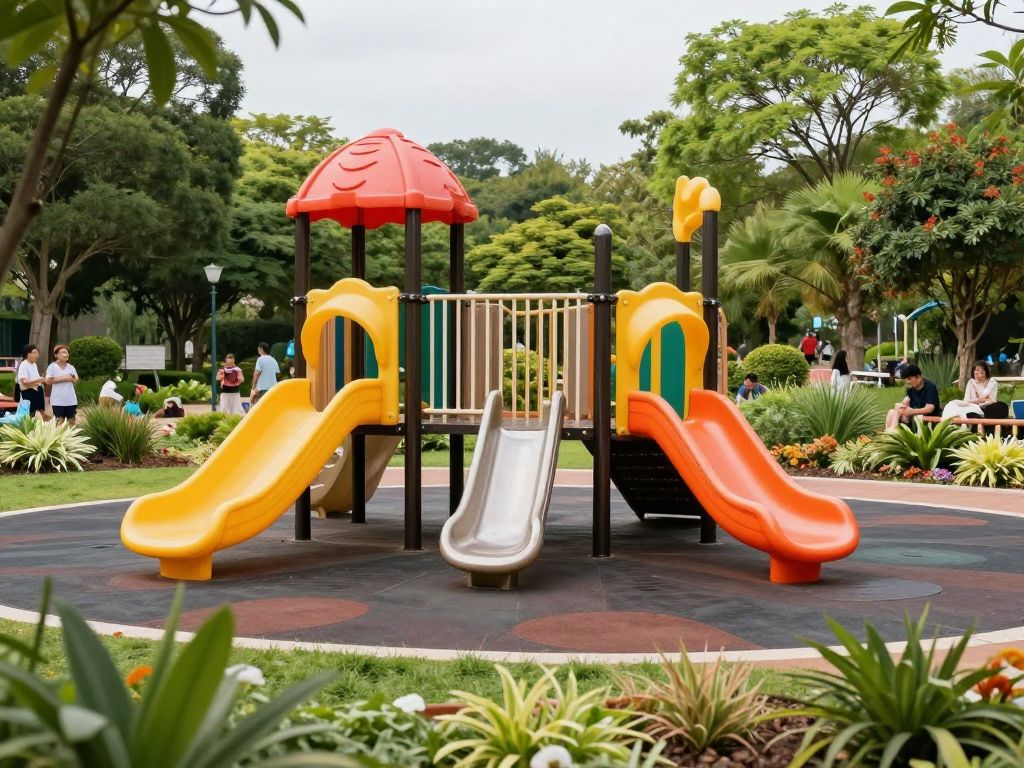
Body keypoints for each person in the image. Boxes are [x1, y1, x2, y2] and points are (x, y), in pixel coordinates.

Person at [884, 364, 941, 430]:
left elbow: (930, 408)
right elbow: (907, 403)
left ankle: (892, 432)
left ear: (918, 377)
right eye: (905, 379)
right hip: (913, 417)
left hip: (929, 419)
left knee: (915, 419)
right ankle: (889, 433)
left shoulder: (930, 387)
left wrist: (912, 411)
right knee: (892, 412)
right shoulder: (910, 389)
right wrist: (902, 407)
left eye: (909, 379)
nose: (907, 382)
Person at [45, 344, 79, 423]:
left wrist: (71, 378)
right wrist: (65, 378)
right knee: (58, 421)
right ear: (56, 355)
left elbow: (75, 379)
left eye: (67, 353)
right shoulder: (52, 366)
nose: (65, 355)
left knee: (71, 421)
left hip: (71, 399)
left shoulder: (71, 367)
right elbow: (48, 381)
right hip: (58, 400)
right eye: (63, 352)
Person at [15, 344, 46, 417]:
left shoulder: (34, 364)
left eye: (37, 352)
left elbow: (36, 379)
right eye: (34, 352)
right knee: (28, 414)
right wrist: (38, 380)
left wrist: (43, 380)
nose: (37, 355)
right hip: (28, 392)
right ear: (28, 354)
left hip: (36, 391)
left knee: (34, 414)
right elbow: (25, 381)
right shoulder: (24, 364)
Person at [250, 342, 280, 406]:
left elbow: (257, 373)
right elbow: (277, 373)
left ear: (261, 349)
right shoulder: (273, 360)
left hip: (261, 388)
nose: (257, 348)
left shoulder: (260, 359)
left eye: (258, 347)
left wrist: (254, 385)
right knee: (270, 406)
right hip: (273, 388)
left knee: (259, 406)